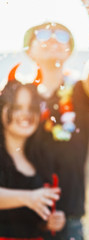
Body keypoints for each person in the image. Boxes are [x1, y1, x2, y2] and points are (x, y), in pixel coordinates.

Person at [22, 0, 89, 238]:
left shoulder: (83, 93)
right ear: (28, 50)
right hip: (19, 215)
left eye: (62, 37)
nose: (53, 39)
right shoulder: (17, 98)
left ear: (69, 50)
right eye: (43, 34)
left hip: (68, 222)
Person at [0, 80, 65, 239]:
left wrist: (53, 220)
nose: (26, 114)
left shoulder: (40, 159)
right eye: (17, 107)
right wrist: (28, 198)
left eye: (32, 108)